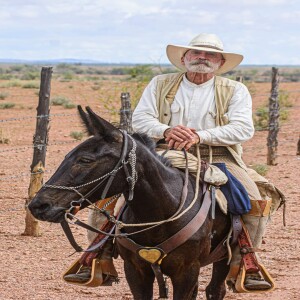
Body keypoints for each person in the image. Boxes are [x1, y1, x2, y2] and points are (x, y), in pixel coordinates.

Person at [65, 33, 273, 291]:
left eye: (210, 55)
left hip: (217, 156)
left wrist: (200, 135)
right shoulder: (160, 83)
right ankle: (97, 257)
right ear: (184, 58)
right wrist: (166, 131)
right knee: (109, 197)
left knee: (252, 203)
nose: (202, 58)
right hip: (162, 153)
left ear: (220, 62)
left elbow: (243, 129)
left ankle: (245, 263)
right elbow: (140, 120)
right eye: (196, 53)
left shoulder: (235, 90)